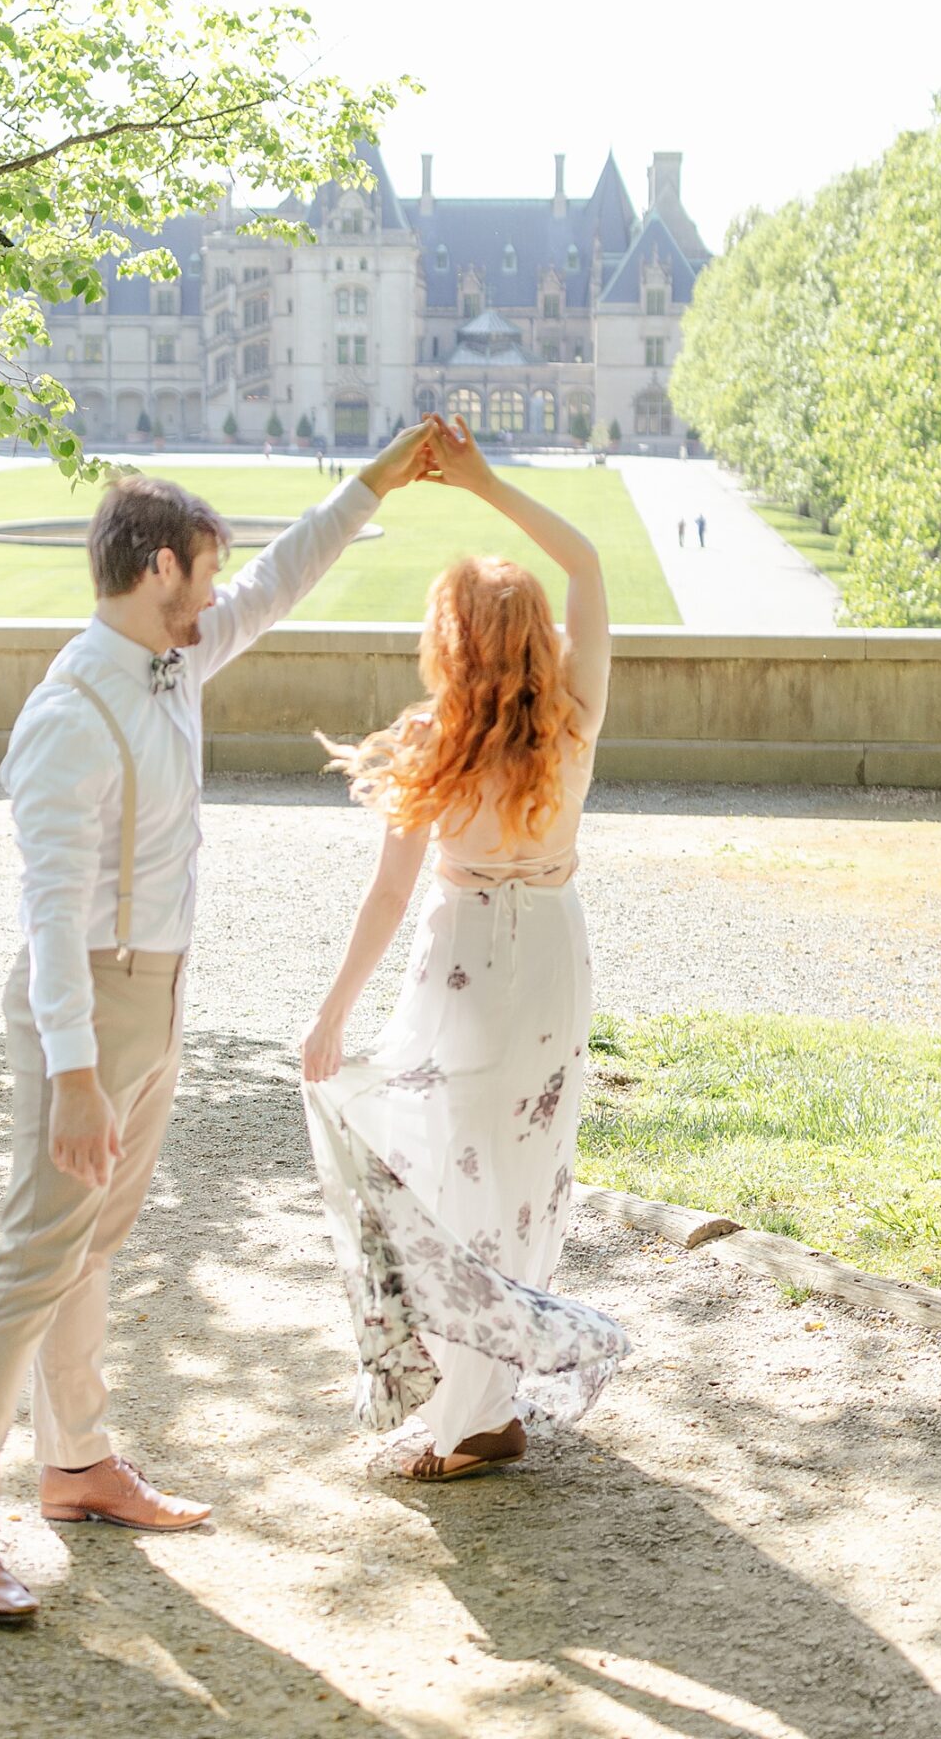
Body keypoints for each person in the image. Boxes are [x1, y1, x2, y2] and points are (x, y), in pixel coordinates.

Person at [0, 424, 437, 1619]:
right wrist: (79, 1073)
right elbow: (50, 916)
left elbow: (280, 579)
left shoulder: (176, 659)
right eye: (206, 570)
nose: (220, 592)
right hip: (86, 1007)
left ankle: (79, 1463)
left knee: (94, 1245)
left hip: (159, 994)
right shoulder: (69, 713)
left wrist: (374, 481)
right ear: (159, 571)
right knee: (32, 1253)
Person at [301, 414, 629, 1480]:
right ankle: (483, 1401)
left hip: (462, 962)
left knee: (440, 1171)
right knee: (523, 1177)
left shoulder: (434, 745)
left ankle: (475, 1410)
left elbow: (389, 897)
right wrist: (485, 481)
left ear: (451, 643)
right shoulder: (575, 715)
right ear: (535, 633)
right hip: (548, 958)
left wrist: (333, 1010)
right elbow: (583, 557)